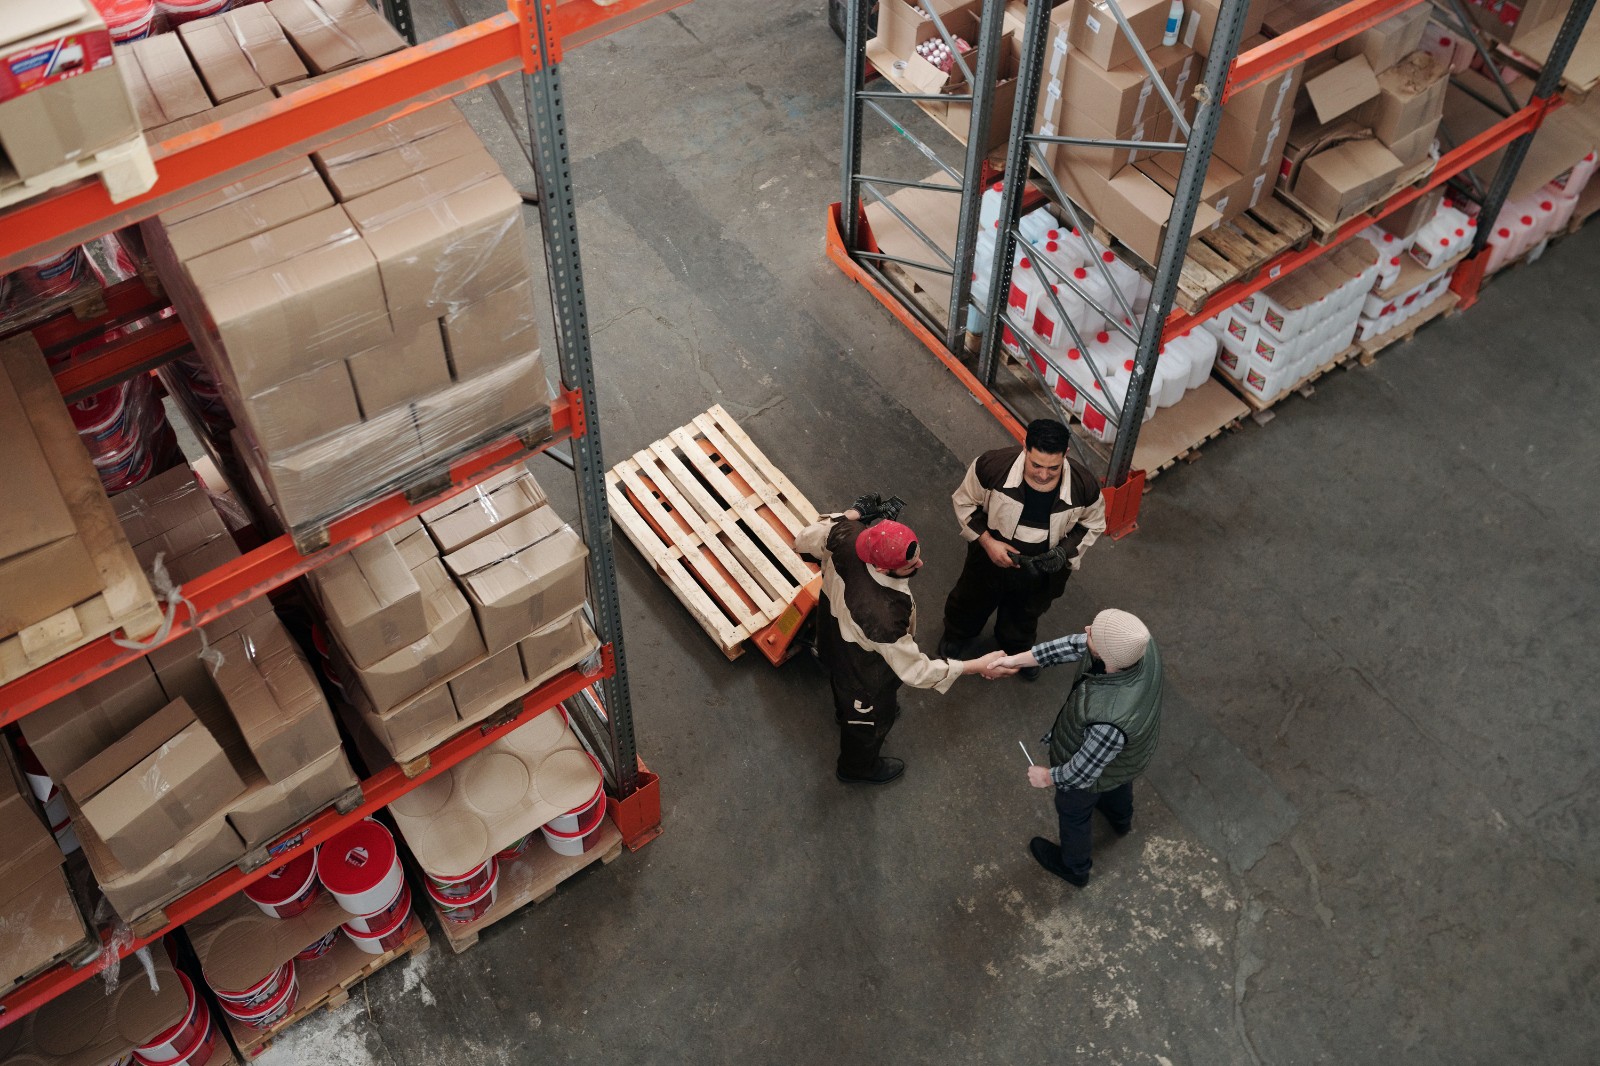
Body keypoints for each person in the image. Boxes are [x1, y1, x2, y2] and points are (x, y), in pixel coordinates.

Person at [795, 505, 1004, 785]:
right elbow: (915, 671)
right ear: (881, 567)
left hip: (832, 637)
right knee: (870, 722)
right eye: (910, 566)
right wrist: (973, 666)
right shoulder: (882, 615)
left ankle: (843, 712)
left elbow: (803, 539)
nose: (920, 565)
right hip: (863, 672)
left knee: (838, 680)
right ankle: (857, 768)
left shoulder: (846, 532)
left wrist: (853, 513)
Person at [988, 609, 1162, 887]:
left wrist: (1048, 777)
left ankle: (1075, 868)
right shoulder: (1139, 645)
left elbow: (1081, 774)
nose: (1087, 628)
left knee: (1074, 811)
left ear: (1106, 657)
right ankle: (1120, 820)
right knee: (1116, 781)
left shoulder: (1109, 723)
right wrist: (1015, 660)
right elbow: (1073, 645)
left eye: (1093, 632)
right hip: (1127, 758)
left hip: (1095, 766)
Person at [939, 419, 1106, 681]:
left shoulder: (1084, 487)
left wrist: (1064, 551)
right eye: (1036, 464)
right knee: (970, 600)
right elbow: (964, 503)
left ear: (1066, 455)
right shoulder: (991, 467)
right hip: (988, 560)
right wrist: (988, 542)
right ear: (1025, 448)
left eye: (1053, 467)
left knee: (1026, 613)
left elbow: (1092, 524)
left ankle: (1017, 650)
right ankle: (958, 635)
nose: (1043, 474)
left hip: (1042, 569)